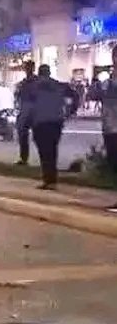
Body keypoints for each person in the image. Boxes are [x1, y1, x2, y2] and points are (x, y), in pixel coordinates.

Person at [28, 64, 80, 190]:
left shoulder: (33, 87)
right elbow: (75, 96)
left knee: (44, 152)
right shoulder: (59, 85)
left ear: (39, 73)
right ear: (49, 73)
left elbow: (28, 106)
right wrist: (70, 111)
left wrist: (27, 122)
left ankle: (48, 179)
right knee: (52, 150)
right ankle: (52, 179)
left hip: (40, 122)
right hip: (56, 122)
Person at [87, 46, 117, 211]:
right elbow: (92, 94)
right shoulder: (107, 83)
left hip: (112, 126)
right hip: (110, 128)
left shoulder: (110, 83)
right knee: (114, 164)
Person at [13, 61, 36, 166]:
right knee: (23, 135)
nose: (27, 70)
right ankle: (23, 158)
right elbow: (17, 95)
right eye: (26, 68)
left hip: (31, 111)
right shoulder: (24, 83)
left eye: (28, 68)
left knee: (36, 136)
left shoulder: (31, 82)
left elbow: (18, 95)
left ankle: (24, 158)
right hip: (27, 111)